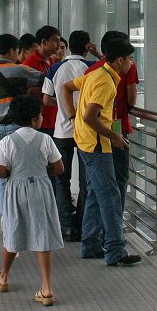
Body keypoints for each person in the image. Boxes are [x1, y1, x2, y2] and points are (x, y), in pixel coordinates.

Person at [61, 37, 141, 267]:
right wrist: (114, 136)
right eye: (130, 60)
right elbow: (90, 116)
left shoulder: (95, 74)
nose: (131, 64)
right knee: (110, 196)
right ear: (120, 60)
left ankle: (91, 244)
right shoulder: (106, 82)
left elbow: (67, 88)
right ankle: (115, 250)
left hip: (86, 142)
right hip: (97, 145)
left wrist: (71, 116)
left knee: (96, 195)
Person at [0, 94, 64, 306]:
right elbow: (59, 167)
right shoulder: (46, 139)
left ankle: (4, 277)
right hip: (41, 189)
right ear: (35, 119)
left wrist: (12, 172)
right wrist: (42, 170)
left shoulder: (7, 141)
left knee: (13, 230)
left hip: (16, 190)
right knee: (42, 236)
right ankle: (46, 287)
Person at [0, 33, 44, 212]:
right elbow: (45, 80)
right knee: (22, 171)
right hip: (19, 128)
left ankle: (5, 212)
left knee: (3, 173)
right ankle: (21, 211)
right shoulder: (20, 70)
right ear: (13, 50)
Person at [84, 30, 139, 223]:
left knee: (95, 185)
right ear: (121, 56)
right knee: (119, 179)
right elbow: (132, 98)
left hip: (94, 134)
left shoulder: (93, 69)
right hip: (116, 127)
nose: (131, 60)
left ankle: (94, 232)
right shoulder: (128, 68)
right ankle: (115, 225)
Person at [44, 30, 92, 241]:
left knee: (61, 179)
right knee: (85, 180)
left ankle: (66, 225)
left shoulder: (55, 68)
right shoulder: (91, 68)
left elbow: (46, 100)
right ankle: (83, 223)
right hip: (85, 132)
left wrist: (64, 108)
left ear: (68, 46)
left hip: (61, 131)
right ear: (87, 46)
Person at [22, 25, 62, 137]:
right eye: (55, 41)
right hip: (37, 123)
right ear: (44, 42)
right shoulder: (28, 65)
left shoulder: (54, 64)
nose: (59, 45)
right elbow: (26, 94)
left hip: (55, 121)